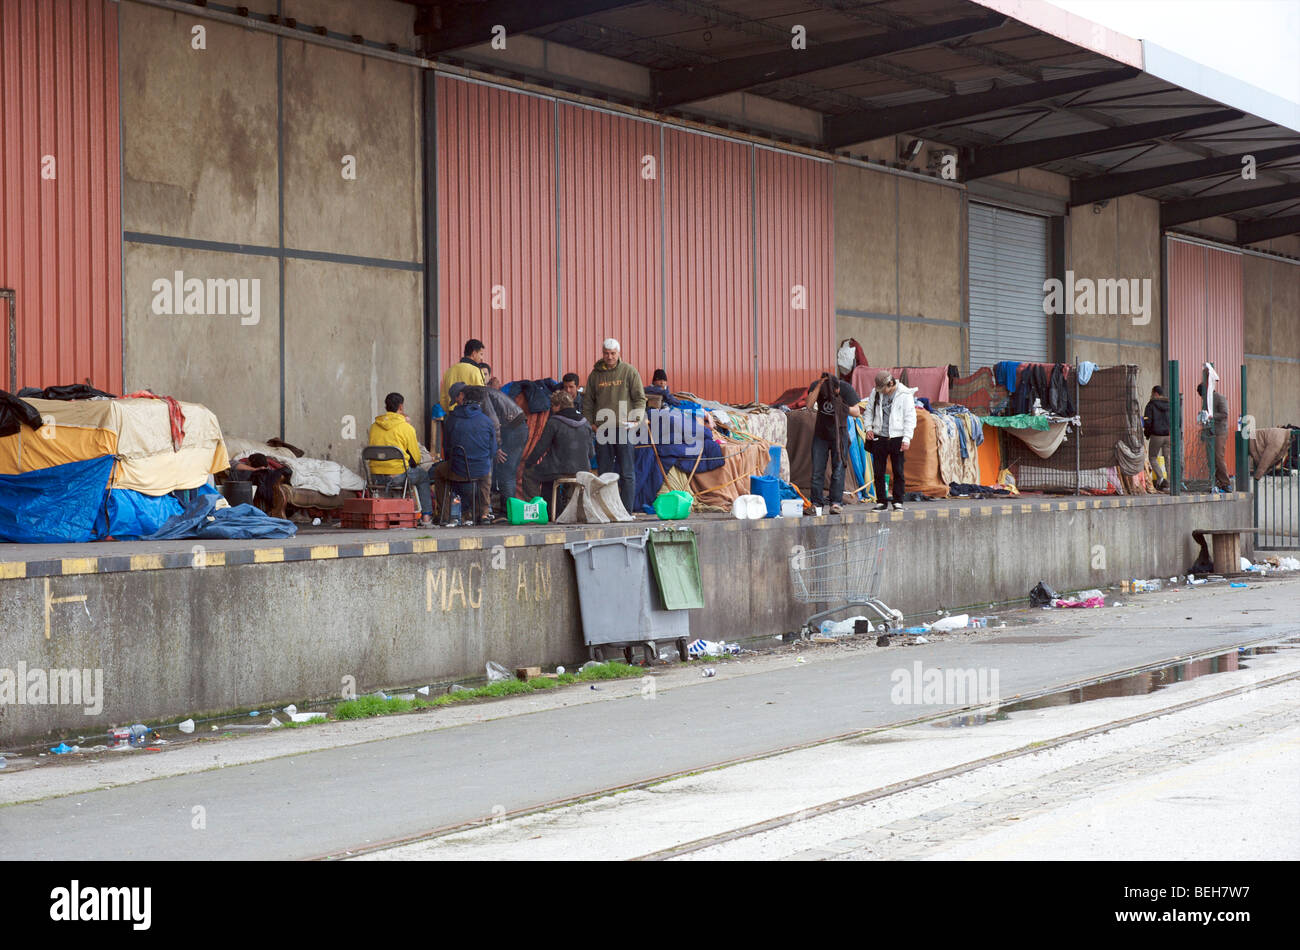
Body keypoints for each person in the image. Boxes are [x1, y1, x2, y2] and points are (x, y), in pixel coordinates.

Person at [583, 337, 645, 514]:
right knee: (604, 474)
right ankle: (606, 510)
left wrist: (636, 419)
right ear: (602, 353)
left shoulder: (629, 371)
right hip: (602, 430)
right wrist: (591, 424)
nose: (609, 357)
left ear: (619, 353)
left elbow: (640, 399)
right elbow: (588, 402)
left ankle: (625, 511)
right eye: (606, 353)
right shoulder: (595, 375)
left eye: (613, 353)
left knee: (626, 473)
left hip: (623, 428)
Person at [432, 382, 497, 525]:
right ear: (480, 402)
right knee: (487, 467)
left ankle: (446, 515)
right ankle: (484, 513)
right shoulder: (487, 421)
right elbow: (492, 450)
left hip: (458, 470)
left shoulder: (451, 419)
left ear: (462, 398)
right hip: (480, 471)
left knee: (438, 471)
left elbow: (447, 448)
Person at [367, 392, 434, 527]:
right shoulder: (406, 427)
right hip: (397, 476)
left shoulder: (374, 426)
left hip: (376, 477)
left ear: (386, 406)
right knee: (423, 476)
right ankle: (426, 517)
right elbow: (416, 458)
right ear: (401, 407)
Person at [522, 390, 593, 505]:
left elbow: (541, 447)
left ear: (558, 406)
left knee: (530, 473)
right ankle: (566, 506)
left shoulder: (554, 422)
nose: (551, 409)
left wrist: (529, 463)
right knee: (548, 474)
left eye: (552, 406)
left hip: (558, 470)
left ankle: (536, 508)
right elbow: (591, 453)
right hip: (582, 469)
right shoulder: (585, 423)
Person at [806, 371, 862, 515]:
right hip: (821, 434)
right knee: (817, 470)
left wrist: (842, 408)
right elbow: (809, 405)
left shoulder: (845, 388)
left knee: (838, 469)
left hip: (839, 434)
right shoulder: (817, 387)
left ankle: (836, 503)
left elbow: (857, 411)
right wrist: (819, 386)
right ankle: (816, 504)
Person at [863, 370, 917, 512]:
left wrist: (907, 438)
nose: (882, 392)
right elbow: (868, 411)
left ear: (891, 383)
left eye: (884, 389)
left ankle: (898, 501)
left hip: (897, 437)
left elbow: (910, 418)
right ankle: (881, 501)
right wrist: (868, 428)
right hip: (879, 435)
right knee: (878, 471)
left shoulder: (905, 395)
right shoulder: (876, 393)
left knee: (898, 470)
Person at [475, 377, 528, 516]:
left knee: (506, 472)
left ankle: (507, 514)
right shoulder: (487, 392)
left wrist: (497, 447)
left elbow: (494, 422)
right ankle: (508, 512)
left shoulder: (482, 394)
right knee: (507, 472)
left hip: (514, 430)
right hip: (517, 427)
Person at [1196, 381, 1231, 491]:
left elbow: (1225, 414)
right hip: (1209, 432)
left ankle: (1225, 482)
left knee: (1218, 457)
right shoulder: (1206, 402)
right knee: (1211, 458)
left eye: (1202, 395)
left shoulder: (1220, 398)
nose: (1202, 398)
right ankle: (1216, 481)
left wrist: (1211, 416)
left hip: (1220, 431)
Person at [439, 338, 487, 411]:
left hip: (452, 416)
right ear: (474, 353)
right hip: (471, 416)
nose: (482, 358)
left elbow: (443, 398)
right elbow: (482, 396)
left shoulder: (449, 371)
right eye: (481, 354)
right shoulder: (476, 371)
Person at [1143, 385, 1171, 488]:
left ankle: (1160, 478)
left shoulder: (1151, 405)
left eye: (1152, 393)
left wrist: (1147, 433)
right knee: (1168, 458)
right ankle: (1169, 482)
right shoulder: (1170, 405)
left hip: (1156, 435)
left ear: (1156, 393)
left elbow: (1147, 421)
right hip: (1168, 435)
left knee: (1152, 457)